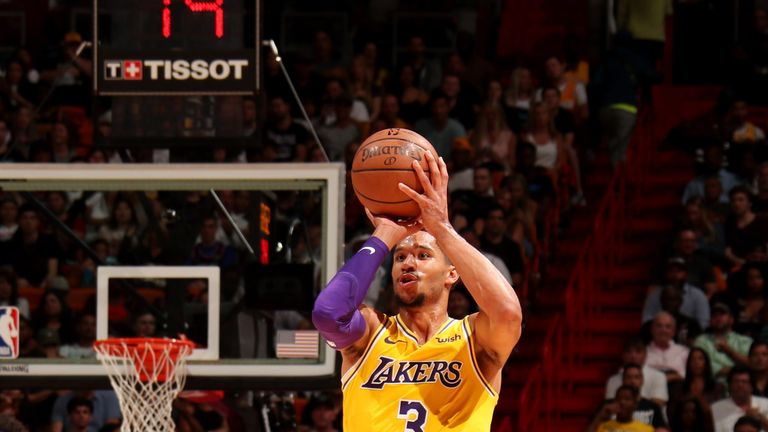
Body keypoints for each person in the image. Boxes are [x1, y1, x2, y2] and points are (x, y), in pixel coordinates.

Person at [312, 151, 522, 430]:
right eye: (400, 257)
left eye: (423, 255)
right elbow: (328, 313)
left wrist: (443, 230)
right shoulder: (372, 333)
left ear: (452, 273)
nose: (408, 263)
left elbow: (508, 313)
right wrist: (385, 235)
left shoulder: (474, 339)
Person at [694, 302, 753, 379]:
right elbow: (702, 367)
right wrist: (737, 369)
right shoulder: (701, 341)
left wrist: (729, 351)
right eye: (714, 315)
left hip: (742, 384)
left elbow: (752, 364)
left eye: (722, 314)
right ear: (710, 321)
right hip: (712, 385)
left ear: (731, 319)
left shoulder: (745, 341)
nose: (718, 318)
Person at [711, 366, 768, 432]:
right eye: (736, 381)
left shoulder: (766, 404)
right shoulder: (715, 409)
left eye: (744, 382)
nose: (740, 385)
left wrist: (761, 419)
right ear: (729, 385)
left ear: (752, 386)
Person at [588, 385, 653, 432]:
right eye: (618, 398)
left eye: (627, 399)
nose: (622, 402)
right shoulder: (602, 426)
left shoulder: (646, 429)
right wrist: (600, 416)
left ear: (635, 405)